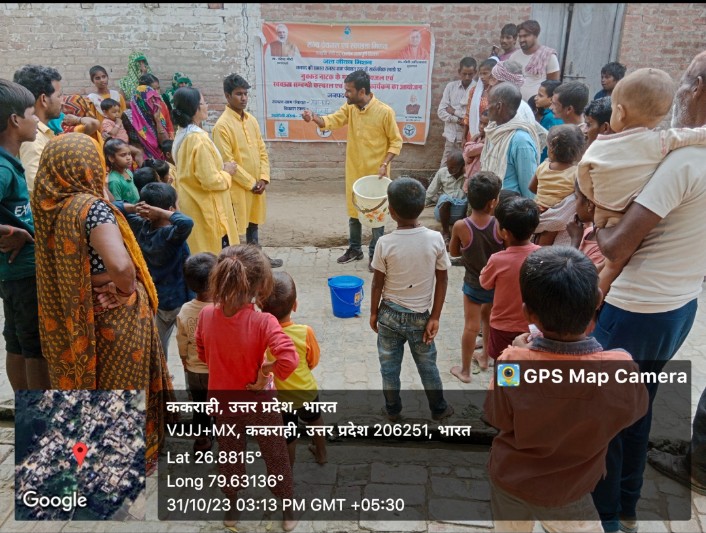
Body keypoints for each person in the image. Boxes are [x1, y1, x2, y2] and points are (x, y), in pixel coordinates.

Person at [589, 50, 706, 532]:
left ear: (697, 89)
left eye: (686, 79)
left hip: (637, 309)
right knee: (637, 408)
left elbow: (616, 246)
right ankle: (627, 506)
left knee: (605, 418)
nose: (679, 89)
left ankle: (606, 518)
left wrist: (596, 218)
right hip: (679, 304)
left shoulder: (683, 163)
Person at [32, 133, 173, 474]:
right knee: (121, 386)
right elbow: (121, 267)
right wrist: (125, 289)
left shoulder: (50, 207)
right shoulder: (91, 208)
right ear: (87, 167)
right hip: (114, 315)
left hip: (78, 315)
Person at [485, 246, 649, 533]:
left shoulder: (512, 363)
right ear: (598, 299)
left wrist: (517, 353)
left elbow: (497, 417)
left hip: (511, 481)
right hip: (571, 490)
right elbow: (632, 414)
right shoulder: (620, 369)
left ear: (527, 314)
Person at [195, 245, 299, 532]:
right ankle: (287, 511)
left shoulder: (206, 315)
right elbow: (289, 360)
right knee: (276, 455)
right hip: (260, 402)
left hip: (223, 402)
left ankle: (231, 509)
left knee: (229, 455)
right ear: (260, 285)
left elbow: (202, 353)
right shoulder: (264, 321)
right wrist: (266, 371)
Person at [578, 68, 706, 296]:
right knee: (614, 265)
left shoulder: (601, 144)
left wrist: (593, 199)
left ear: (619, 112)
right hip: (628, 210)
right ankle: (598, 289)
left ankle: (592, 296)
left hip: (604, 210)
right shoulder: (661, 141)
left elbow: (583, 174)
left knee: (611, 257)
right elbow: (694, 135)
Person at [369, 177, 454, 422]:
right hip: (421, 318)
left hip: (388, 315)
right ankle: (439, 409)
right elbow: (443, 280)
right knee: (427, 365)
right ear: (423, 206)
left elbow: (377, 284)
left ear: (391, 211)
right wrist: (435, 316)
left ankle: (392, 410)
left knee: (389, 368)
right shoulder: (436, 239)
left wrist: (373, 312)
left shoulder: (384, 243)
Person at [302, 70, 402, 271]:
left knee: (376, 215)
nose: (345, 94)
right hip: (354, 171)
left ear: (362, 91)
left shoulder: (385, 112)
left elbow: (396, 142)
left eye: (349, 91)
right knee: (354, 210)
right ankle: (355, 249)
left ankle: (375, 255)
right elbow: (331, 121)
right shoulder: (350, 108)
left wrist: (384, 164)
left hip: (376, 176)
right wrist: (313, 118)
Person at [0, 79, 51, 390]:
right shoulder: (4, 168)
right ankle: (38, 411)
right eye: (32, 114)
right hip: (22, 272)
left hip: (13, 273)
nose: (36, 121)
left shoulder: (9, 162)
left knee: (18, 341)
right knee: (35, 347)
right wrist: (10, 231)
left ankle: (25, 408)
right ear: (15, 120)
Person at [114, 182, 194, 360]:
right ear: (171, 209)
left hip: (156, 298)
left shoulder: (140, 227)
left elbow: (113, 207)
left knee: (159, 348)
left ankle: (162, 373)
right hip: (180, 299)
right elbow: (187, 222)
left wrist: (136, 208)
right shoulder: (171, 235)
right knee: (191, 349)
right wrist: (162, 213)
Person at [212, 74, 283, 268]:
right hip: (238, 188)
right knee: (234, 226)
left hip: (256, 185)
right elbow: (228, 162)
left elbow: (262, 150)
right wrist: (251, 183)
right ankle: (232, 264)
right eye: (238, 94)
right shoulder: (222, 126)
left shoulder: (251, 120)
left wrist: (263, 178)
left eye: (245, 94)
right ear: (227, 96)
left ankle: (257, 258)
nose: (243, 98)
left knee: (253, 222)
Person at [261, 271, 327, 466]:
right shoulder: (305, 332)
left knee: (288, 434)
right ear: (295, 305)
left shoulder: (262, 335)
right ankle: (321, 453)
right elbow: (313, 360)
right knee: (315, 420)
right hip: (305, 390)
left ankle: (288, 469)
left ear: (261, 309)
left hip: (280, 397)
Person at [448, 171, 503, 382]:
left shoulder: (462, 226)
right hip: (495, 284)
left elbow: (454, 252)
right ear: (492, 202)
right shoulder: (499, 224)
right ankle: (486, 357)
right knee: (488, 321)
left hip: (472, 284)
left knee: (471, 326)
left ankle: (465, 371)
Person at [171, 87, 239, 254]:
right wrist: (227, 172)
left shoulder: (182, 134)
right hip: (204, 207)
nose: (206, 106)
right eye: (203, 103)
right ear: (195, 109)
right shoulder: (199, 140)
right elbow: (210, 180)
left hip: (191, 202)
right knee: (213, 255)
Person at [479, 196, 540, 360]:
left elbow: (485, 283)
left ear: (504, 233)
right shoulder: (543, 255)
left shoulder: (497, 260)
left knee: (505, 366)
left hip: (503, 327)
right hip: (533, 326)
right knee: (526, 363)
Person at [176, 252, 217, 452]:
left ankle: (201, 442)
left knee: (200, 407)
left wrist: (185, 361)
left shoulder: (185, 310)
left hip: (194, 371)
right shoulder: (222, 310)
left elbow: (181, 340)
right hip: (217, 373)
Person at [480, 82, 540, 198]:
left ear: (499, 106)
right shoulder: (493, 130)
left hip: (510, 205)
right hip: (491, 201)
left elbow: (528, 189)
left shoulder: (521, 140)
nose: (487, 107)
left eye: (489, 103)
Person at [13, 65, 63, 193]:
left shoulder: (42, 133)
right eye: (59, 96)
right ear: (44, 99)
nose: (62, 102)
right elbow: (37, 189)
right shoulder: (33, 140)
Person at [529, 124, 584, 212]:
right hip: (563, 215)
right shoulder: (577, 173)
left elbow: (532, 187)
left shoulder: (543, 166)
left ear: (551, 149)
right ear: (580, 150)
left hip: (539, 213)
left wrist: (546, 195)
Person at [438, 57, 477, 166]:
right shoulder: (451, 87)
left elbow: (473, 115)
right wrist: (459, 120)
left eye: (470, 74)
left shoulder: (477, 89)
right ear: (459, 72)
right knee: (444, 167)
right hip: (451, 136)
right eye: (464, 74)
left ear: (475, 72)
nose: (467, 77)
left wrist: (454, 111)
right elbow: (441, 112)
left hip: (468, 138)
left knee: (465, 168)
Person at [509, 20, 560, 102]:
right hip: (516, 104)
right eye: (520, 36)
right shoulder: (514, 57)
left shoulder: (548, 56)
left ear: (536, 35)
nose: (521, 40)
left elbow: (553, 86)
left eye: (526, 36)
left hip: (538, 106)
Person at [424, 150, 467, 245]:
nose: (449, 169)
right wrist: (419, 206)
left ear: (462, 166)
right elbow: (430, 192)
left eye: (453, 167)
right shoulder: (442, 172)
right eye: (448, 166)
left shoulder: (467, 174)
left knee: (469, 200)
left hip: (460, 211)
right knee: (445, 199)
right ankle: (446, 233)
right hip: (443, 211)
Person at [128, 74, 173, 160]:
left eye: (158, 88)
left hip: (162, 156)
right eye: (152, 90)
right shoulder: (130, 116)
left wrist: (158, 120)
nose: (156, 93)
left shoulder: (161, 107)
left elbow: (165, 140)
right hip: (141, 160)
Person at [566, 181, 605, 269]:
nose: (574, 204)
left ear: (590, 204)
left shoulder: (602, 248)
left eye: (576, 198)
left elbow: (572, 273)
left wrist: (575, 241)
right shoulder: (587, 231)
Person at [464, 58, 498, 142]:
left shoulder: (499, 92)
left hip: (492, 135)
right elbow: (468, 114)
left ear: (494, 74)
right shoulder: (474, 91)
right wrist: (463, 136)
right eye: (480, 74)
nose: (482, 77)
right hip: (473, 132)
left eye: (485, 73)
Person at [534, 79, 564, 162]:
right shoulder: (555, 114)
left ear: (551, 99)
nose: (535, 98)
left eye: (540, 95)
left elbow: (544, 144)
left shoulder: (550, 118)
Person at [105, 138, 139, 203]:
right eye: (123, 155)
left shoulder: (127, 171)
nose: (128, 158)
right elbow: (118, 205)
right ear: (111, 158)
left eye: (129, 154)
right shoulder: (114, 181)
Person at [463, 109, 489, 182]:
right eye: (480, 122)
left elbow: (468, 151)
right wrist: (466, 158)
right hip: (470, 176)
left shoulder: (487, 142)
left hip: (480, 180)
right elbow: (465, 154)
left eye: (485, 124)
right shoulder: (478, 138)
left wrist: (472, 142)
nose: (481, 126)